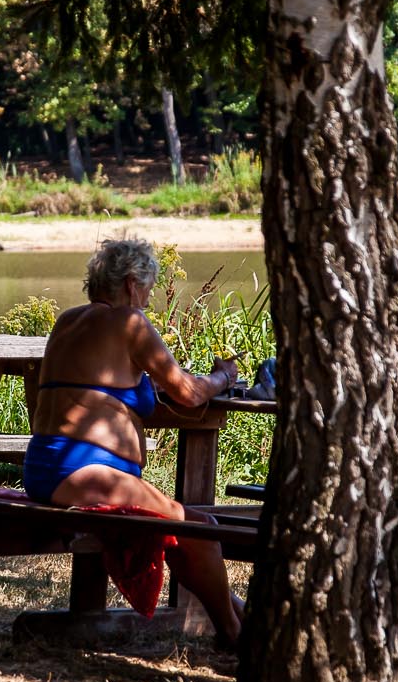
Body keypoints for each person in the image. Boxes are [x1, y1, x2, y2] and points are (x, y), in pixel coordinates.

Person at [23, 237, 245, 645]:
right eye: (148, 288)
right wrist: (224, 377)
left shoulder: (67, 321)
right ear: (130, 284)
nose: (148, 298)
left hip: (43, 467)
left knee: (183, 531)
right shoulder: (129, 322)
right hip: (83, 473)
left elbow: (94, 389)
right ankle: (234, 635)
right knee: (201, 528)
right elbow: (189, 393)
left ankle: (242, 617)